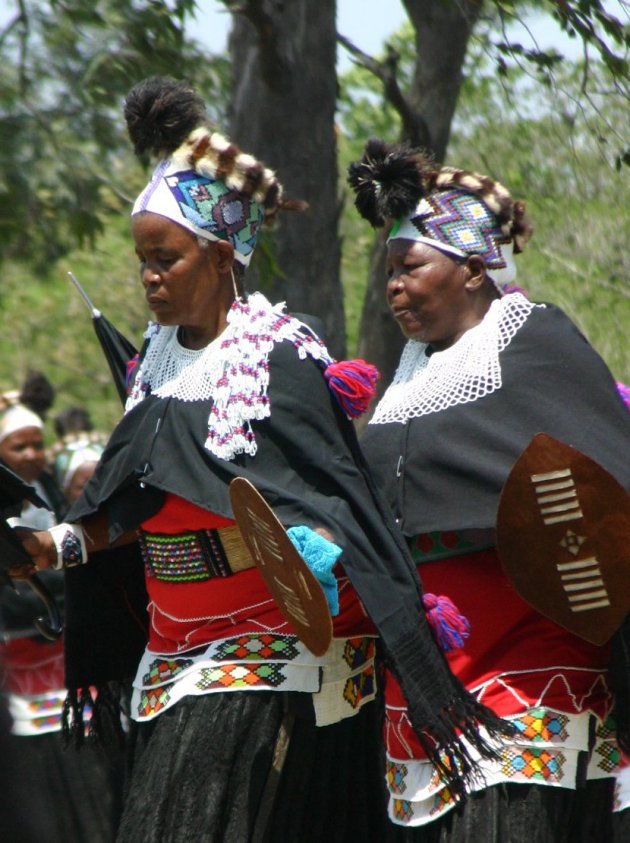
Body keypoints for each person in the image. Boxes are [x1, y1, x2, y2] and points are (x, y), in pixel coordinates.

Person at [14, 78, 507, 843]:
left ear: (218, 256)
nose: (149, 275)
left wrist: (314, 551)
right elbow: (136, 500)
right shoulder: (156, 367)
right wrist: (56, 544)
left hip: (271, 659)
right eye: (142, 258)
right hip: (175, 652)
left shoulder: (275, 358)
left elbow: (338, 499)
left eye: (165, 257)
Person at [347, 138, 630, 841]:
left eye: (409, 266)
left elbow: (600, 489)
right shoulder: (402, 385)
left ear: (474, 268)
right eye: (388, 272)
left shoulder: (535, 342)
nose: (393, 288)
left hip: (535, 654)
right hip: (426, 670)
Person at [0, 397, 123, 843]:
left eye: (37, 445)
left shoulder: (56, 506)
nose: (32, 455)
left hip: (73, 661)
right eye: (19, 447)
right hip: (20, 673)